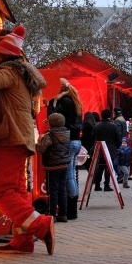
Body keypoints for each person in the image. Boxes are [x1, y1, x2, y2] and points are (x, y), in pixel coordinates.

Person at [0, 25, 54, 255]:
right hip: (20, 137)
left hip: (8, 137)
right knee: (17, 191)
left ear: (1, 54)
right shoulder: (22, 73)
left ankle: (41, 225)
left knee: (2, 191)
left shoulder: (9, 72)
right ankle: (23, 241)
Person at [48, 78, 83, 220]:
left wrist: (50, 104)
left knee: (68, 175)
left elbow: (55, 119)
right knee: (71, 174)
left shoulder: (63, 102)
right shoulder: (73, 99)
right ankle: (72, 209)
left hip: (67, 141)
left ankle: (71, 211)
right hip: (76, 141)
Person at [36, 113, 71, 222]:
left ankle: (52, 215)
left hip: (52, 166)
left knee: (53, 190)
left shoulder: (49, 135)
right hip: (64, 165)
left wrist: (37, 144)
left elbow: (41, 150)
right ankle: (63, 214)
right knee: (62, 190)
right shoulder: (67, 134)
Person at [92, 109, 121, 192]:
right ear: (110, 116)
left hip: (99, 148)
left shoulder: (96, 126)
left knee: (100, 166)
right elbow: (118, 138)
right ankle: (106, 185)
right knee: (108, 167)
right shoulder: (113, 126)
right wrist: (116, 147)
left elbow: (92, 137)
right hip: (111, 149)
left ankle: (97, 185)